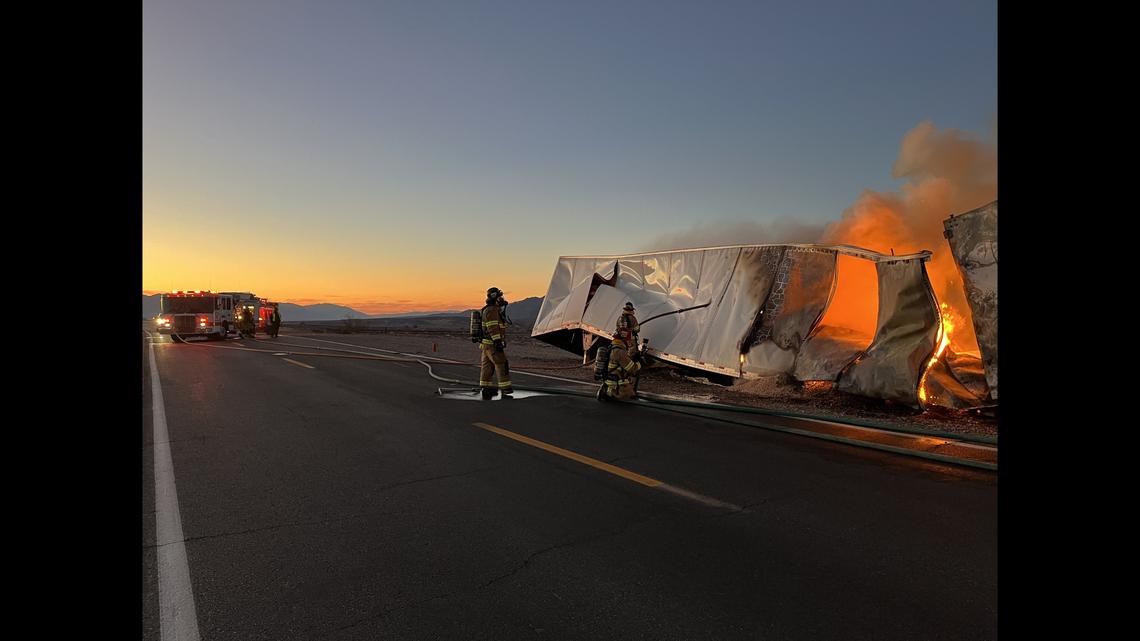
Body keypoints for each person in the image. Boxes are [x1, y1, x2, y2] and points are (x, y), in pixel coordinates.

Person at [478, 287, 514, 399]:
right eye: (499, 297)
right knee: (501, 363)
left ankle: (486, 388)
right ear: (494, 297)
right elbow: (492, 327)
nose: (501, 299)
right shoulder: (492, 310)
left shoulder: (489, 309)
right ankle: (505, 389)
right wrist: (498, 341)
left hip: (486, 344)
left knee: (487, 366)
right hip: (492, 344)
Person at [604, 326, 642, 400]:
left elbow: (622, 362)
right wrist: (639, 362)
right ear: (624, 340)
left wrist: (632, 358)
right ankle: (610, 392)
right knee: (629, 396)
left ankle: (608, 390)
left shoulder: (613, 347)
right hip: (617, 382)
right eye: (629, 340)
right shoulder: (619, 352)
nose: (630, 343)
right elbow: (632, 369)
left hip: (611, 379)